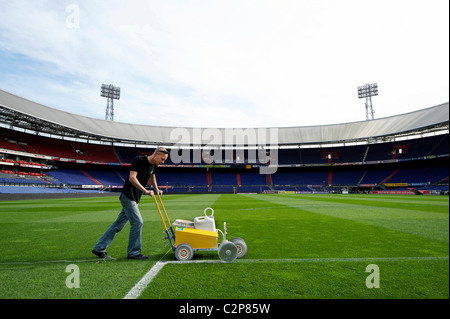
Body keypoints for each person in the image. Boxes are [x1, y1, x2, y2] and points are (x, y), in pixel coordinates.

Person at [92, 147, 169, 260]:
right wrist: (145, 191)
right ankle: (133, 253)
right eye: (162, 159)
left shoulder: (153, 165)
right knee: (137, 222)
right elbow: (132, 178)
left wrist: (156, 189)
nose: (162, 162)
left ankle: (99, 248)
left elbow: (152, 176)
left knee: (118, 225)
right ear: (156, 154)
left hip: (135, 198)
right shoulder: (139, 160)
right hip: (128, 196)